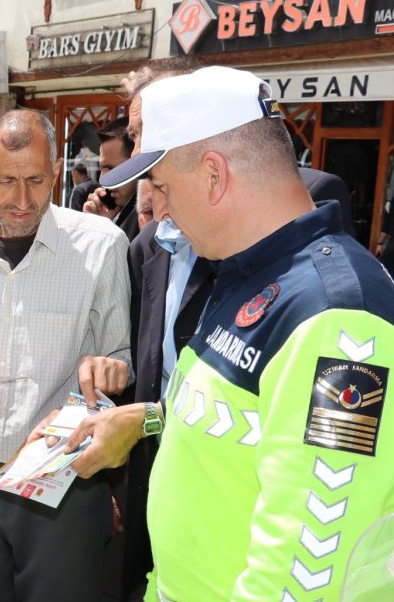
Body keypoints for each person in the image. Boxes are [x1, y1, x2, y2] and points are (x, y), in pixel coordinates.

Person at [57, 66, 394, 601]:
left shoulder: (340, 319)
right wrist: (142, 420)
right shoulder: (246, 274)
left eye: (161, 186)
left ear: (213, 175)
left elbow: (307, 569)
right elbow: (241, 420)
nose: (157, 209)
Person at [0, 108, 131, 601]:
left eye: (36, 180)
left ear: (57, 172)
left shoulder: (103, 247)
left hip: (63, 477)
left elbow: (119, 357)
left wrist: (113, 370)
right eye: (6, 181)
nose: (20, 199)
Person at [82, 117, 139, 240]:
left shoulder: (146, 218)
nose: (103, 179)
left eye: (111, 169)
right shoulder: (119, 215)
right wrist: (98, 224)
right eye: (101, 169)